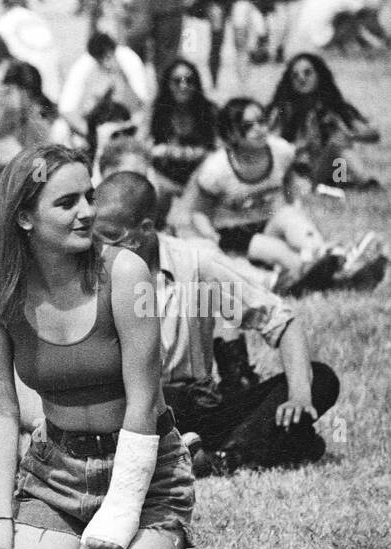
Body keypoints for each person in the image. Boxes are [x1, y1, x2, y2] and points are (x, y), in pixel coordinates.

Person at [0, 145, 198, 549]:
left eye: (89, 196)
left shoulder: (125, 273)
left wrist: (121, 507)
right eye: (67, 201)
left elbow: (145, 401)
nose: (88, 211)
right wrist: (1, 519)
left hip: (143, 472)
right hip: (57, 474)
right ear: (25, 217)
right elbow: (1, 409)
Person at [93, 171, 343, 474]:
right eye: (94, 238)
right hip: (130, 407)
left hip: (196, 406)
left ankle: (223, 455)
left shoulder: (195, 263)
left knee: (321, 377)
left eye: (109, 238)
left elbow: (281, 319)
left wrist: (300, 394)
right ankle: (270, 446)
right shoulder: (90, 270)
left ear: (145, 229)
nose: (100, 249)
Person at [184, 97, 377, 294]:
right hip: (234, 233)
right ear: (231, 132)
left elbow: (288, 181)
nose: (259, 129)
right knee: (283, 254)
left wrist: (295, 207)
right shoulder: (217, 169)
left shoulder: (279, 150)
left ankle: (329, 256)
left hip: (268, 221)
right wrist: (211, 237)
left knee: (290, 218)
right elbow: (198, 212)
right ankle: (335, 274)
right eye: (248, 125)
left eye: (262, 120)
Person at [266, 52, 381, 191]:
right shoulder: (283, 110)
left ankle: (358, 183)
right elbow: (271, 148)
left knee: (338, 144)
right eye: (295, 76)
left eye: (307, 73)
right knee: (335, 146)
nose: (301, 79)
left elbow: (373, 135)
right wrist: (302, 145)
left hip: (333, 172)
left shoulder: (334, 106)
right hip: (301, 175)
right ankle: (362, 184)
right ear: (290, 82)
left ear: (319, 75)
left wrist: (350, 135)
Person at [149, 60, 217, 199]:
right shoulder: (156, 112)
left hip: (202, 176)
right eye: (177, 81)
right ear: (167, 84)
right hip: (165, 178)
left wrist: (179, 152)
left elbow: (222, 148)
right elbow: (143, 146)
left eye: (189, 80)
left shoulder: (210, 111)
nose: (183, 86)